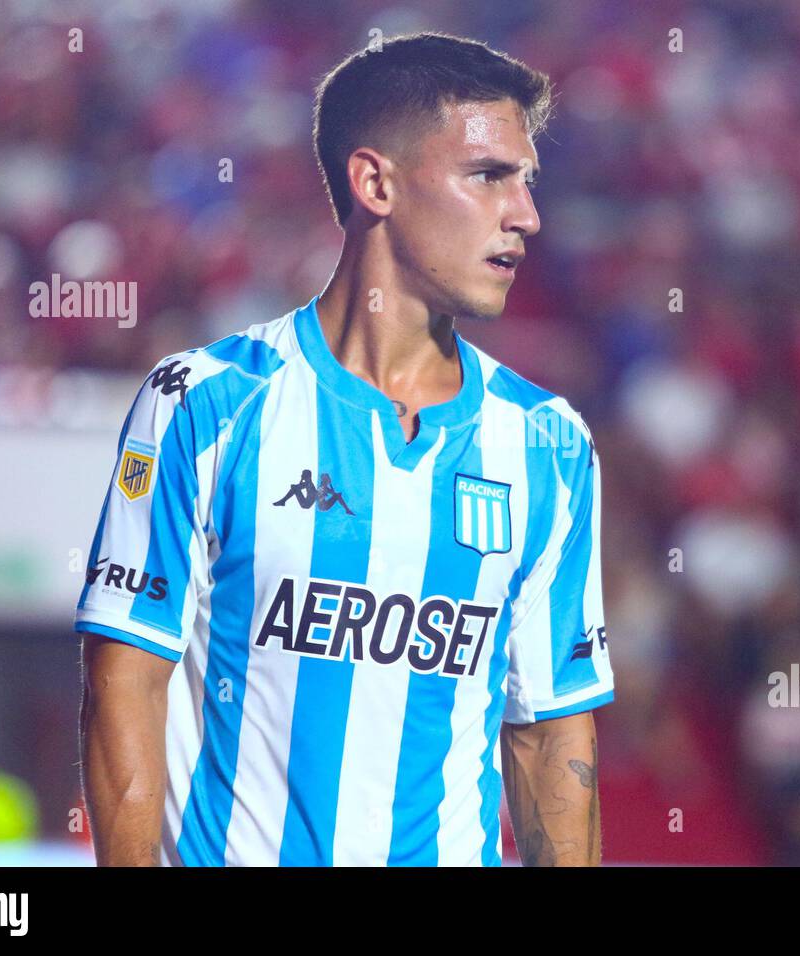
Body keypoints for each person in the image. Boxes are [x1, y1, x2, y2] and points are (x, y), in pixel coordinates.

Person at [74, 32, 614, 866]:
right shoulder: (207, 403)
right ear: (375, 182)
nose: (526, 214)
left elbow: (549, 734)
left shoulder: (550, 444)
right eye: (488, 176)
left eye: (527, 181)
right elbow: (124, 683)